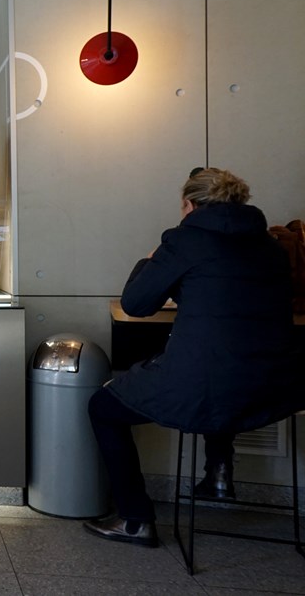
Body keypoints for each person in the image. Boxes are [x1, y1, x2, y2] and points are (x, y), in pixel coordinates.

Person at [85, 167, 302, 547]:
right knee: (220, 364)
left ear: (189, 204)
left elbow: (136, 304)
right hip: (276, 385)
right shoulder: (272, 246)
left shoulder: (185, 240)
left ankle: (135, 519)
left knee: (104, 407)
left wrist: (149, 260)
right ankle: (218, 470)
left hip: (210, 384)